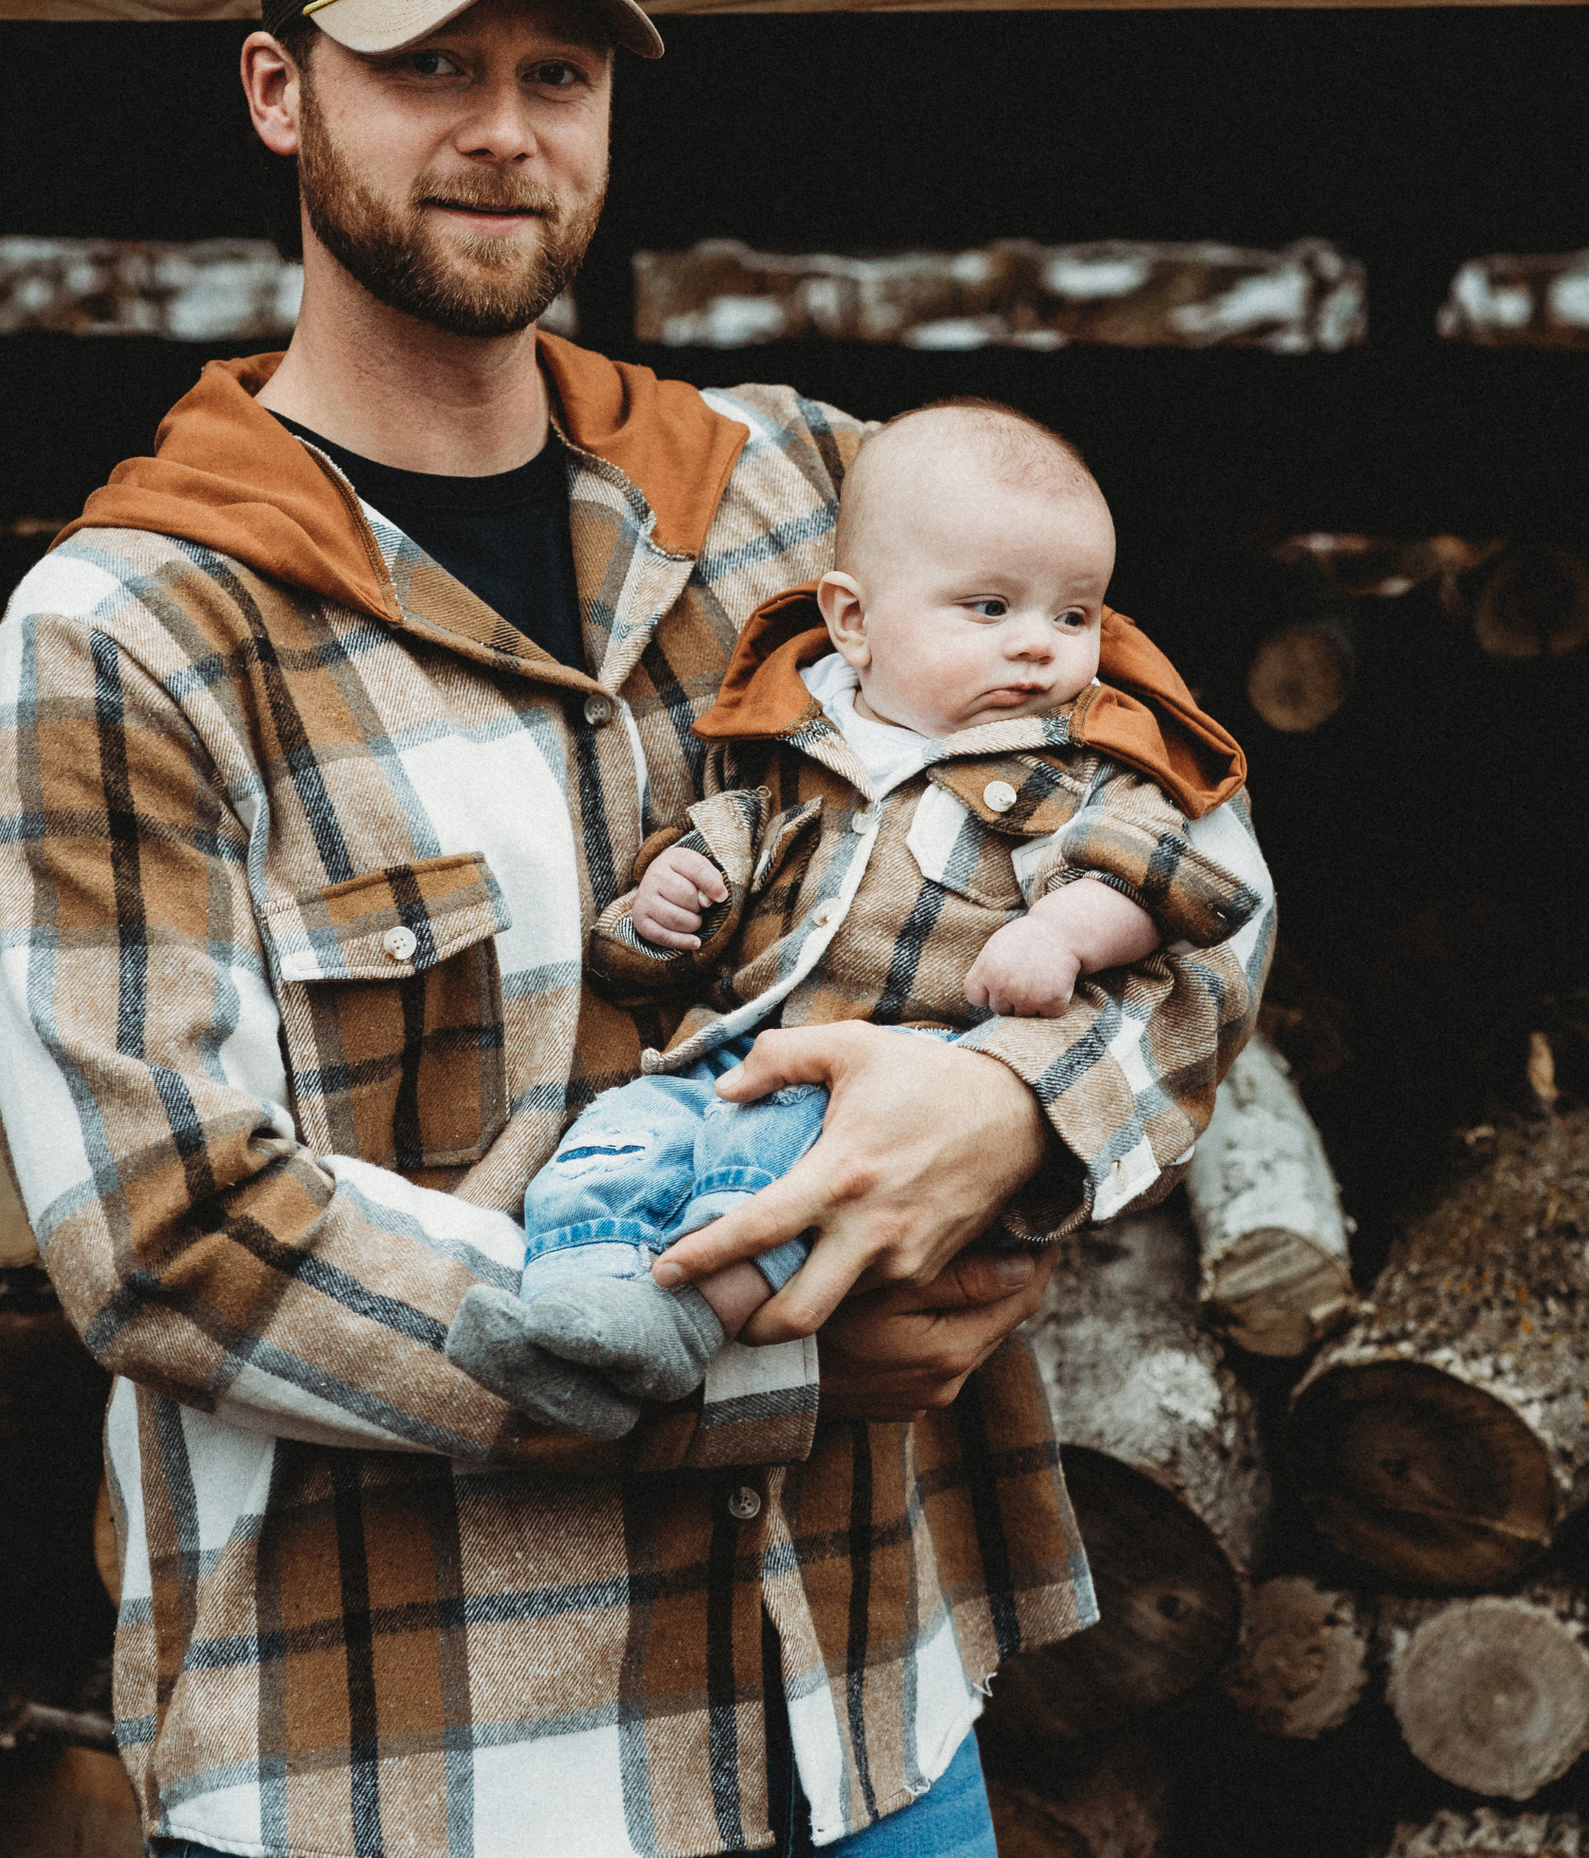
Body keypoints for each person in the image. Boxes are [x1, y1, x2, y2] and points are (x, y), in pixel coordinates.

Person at [0, 0, 1275, 1858]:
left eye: (555, 73)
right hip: (437, 1825)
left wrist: (1008, 1113)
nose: (504, 126)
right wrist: (769, 1354)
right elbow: (174, 1233)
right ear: (277, 88)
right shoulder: (127, 636)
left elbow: (1199, 840)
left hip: (883, 1758)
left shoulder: (809, 491)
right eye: (429, 64)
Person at [447, 400, 1269, 1435]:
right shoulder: (787, 743)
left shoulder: (1081, 761)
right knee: (618, 1135)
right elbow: (719, 861)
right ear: (852, 621)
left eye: (1074, 617)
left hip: (901, 1069)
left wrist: (1064, 933)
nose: (1039, 648)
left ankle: (683, 1323)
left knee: (773, 1152)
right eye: (989, 608)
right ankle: (580, 1306)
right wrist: (665, 908)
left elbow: (1163, 879)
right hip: (732, 1048)